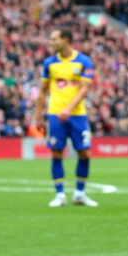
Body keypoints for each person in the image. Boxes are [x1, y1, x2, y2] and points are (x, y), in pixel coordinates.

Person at [33, 28, 97, 208]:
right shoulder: (49, 63)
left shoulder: (84, 61)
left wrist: (69, 109)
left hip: (77, 115)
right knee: (56, 152)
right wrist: (38, 116)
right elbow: (42, 91)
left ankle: (80, 193)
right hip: (55, 114)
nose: (51, 43)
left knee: (84, 152)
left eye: (54, 39)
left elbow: (84, 89)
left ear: (66, 40)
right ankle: (60, 194)